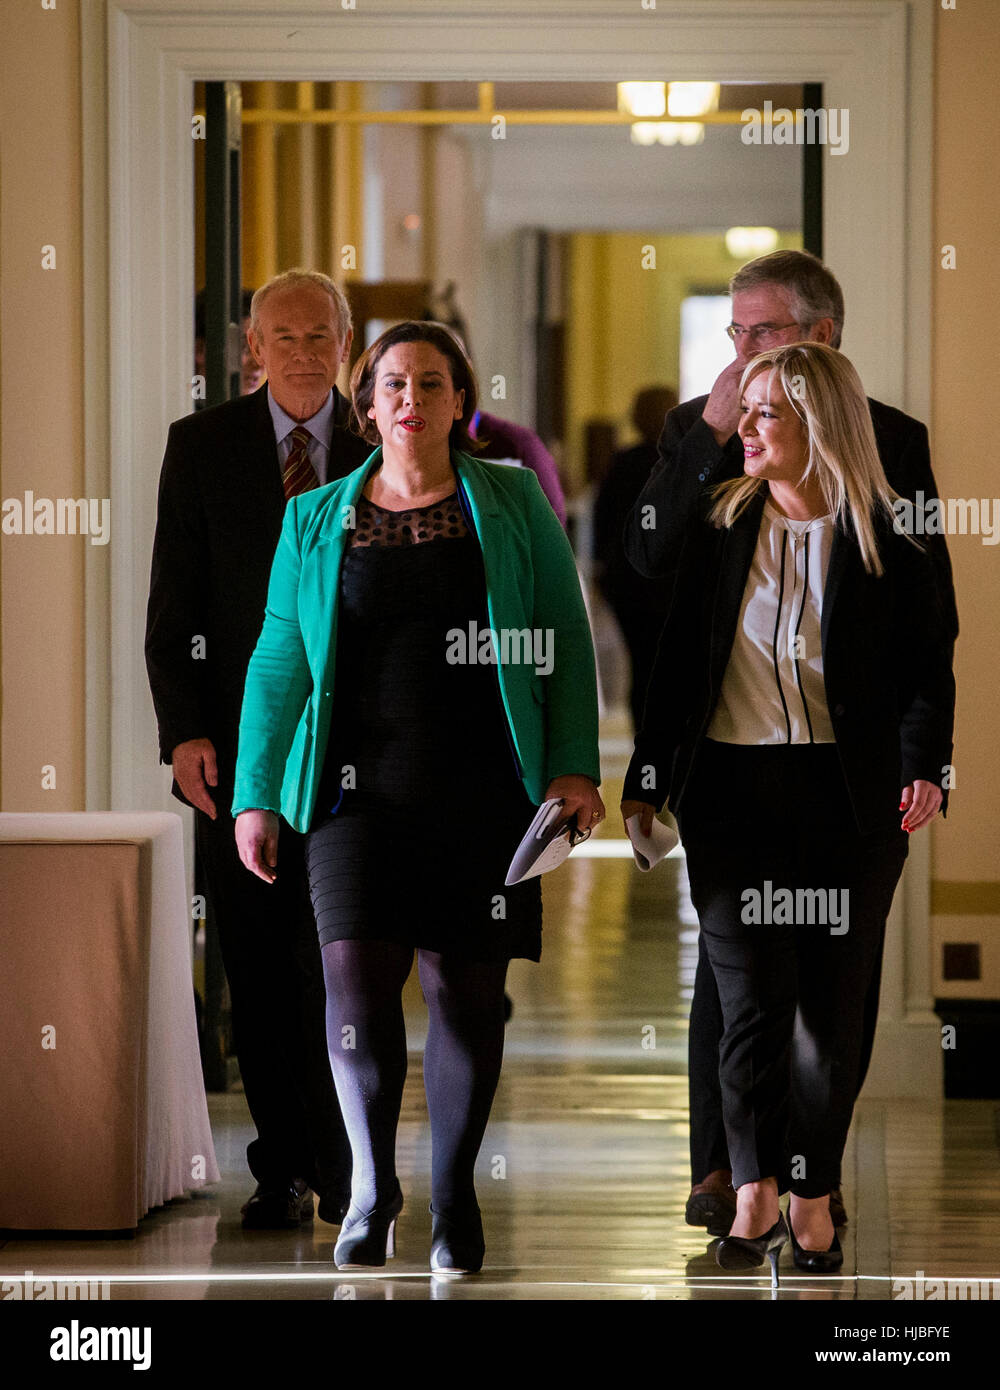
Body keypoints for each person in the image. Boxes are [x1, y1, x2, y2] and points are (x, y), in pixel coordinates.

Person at [232, 321, 603, 1274]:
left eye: (429, 384)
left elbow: (562, 634)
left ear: (456, 401)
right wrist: (256, 794)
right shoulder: (315, 517)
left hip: (484, 792)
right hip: (353, 796)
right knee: (353, 984)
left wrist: (574, 770)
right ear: (370, 405)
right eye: (392, 385)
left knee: (467, 998)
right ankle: (369, 1185)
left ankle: (454, 1192)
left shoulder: (513, 501)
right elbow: (280, 661)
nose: (409, 400)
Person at [625, 250, 958, 1236]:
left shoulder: (889, 446)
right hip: (731, 781)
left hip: (843, 785)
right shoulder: (707, 435)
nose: (739, 359)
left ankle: (810, 1183)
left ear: (818, 339)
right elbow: (647, 558)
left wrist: (924, 761)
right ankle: (733, 1177)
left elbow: (926, 638)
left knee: (829, 999)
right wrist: (712, 436)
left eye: (759, 335)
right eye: (732, 336)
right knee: (739, 995)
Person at [145, 268, 371, 1230]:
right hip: (241, 750)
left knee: (348, 962)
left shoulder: (387, 440)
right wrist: (185, 732)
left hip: (367, 748)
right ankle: (282, 1165)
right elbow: (172, 605)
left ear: (348, 344)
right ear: (253, 351)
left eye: (322, 336)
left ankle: (347, 1161)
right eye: (285, 338)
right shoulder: (202, 449)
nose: (305, 354)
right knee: (261, 964)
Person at [593, 385, 678, 728]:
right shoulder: (682, 462)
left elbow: (604, 525)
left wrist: (602, 571)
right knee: (670, 665)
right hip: (671, 585)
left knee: (641, 663)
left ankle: (644, 734)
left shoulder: (623, 463)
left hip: (628, 584)